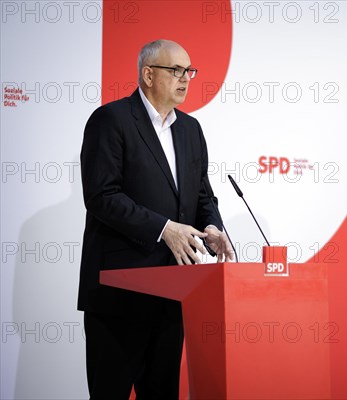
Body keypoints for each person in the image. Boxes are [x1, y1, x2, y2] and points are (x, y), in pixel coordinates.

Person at [78, 39, 234, 398]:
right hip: (118, 293)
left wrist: (212, 227)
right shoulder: (111, 120)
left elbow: (201, 195)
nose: (185, 79)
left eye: (189, 71)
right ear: (148, 75)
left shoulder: (190, 130)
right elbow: (101, 196)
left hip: (171, 292)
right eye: (175, 70)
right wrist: (164, 229)